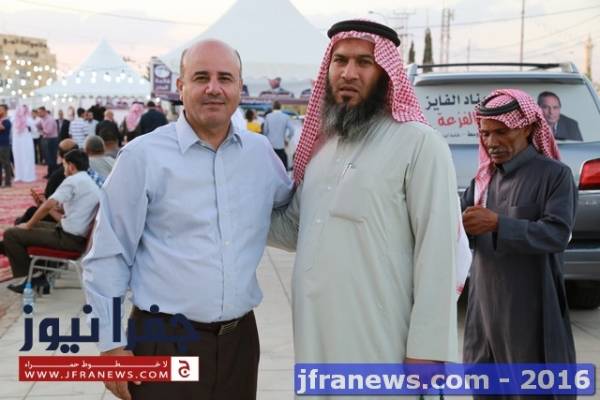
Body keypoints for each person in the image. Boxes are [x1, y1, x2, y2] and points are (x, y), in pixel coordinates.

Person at [82, 39, 292, 400]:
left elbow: (291, 216)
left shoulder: (259, 155)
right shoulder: (143, 157)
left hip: (239, 344)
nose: (214, 88)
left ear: (239, 87)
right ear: (181, 87)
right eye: (201, 77)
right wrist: (111, 344)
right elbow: (108, 254)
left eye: (225, 78)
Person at [268, 19, 461, 387]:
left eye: (364, 62)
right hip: (314, 335)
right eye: (340, 60)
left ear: (386, 73)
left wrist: (428, 348)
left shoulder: (419, 143)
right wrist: (226, 205)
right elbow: (294, 228)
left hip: (380, 339)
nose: (348, 73)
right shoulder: (323, 148)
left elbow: (438, 252)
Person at [461, 89, 576, 399]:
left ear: (527, 128)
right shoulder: (482, 181)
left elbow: (557, 234)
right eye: (485, 133)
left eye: (502, 131)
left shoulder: (555, 176)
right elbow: (459, 232)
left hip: (532, 308)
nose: (492, 142)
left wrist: (499, 224)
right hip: (485, 309)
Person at [3, 149, 100, 294]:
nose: (63, 168)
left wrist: (29, 224)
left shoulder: (73, 180)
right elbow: (64, 215)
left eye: (64, 165)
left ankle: (32, 278)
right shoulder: (87, 181)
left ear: (71, 166)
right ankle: (37, 274)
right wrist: (43, 207)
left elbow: (49, 204)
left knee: (11, 234)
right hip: (74, 237)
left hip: (69, 240)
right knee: (23, 229)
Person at [15, 139, 79, 225]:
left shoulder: (60, 175)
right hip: (73, 215)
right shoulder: (85, 170)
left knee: (31, 212)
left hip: (65, 220)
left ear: (59, 154)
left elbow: (50, 203)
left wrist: (42, 202)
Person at [262, 100, 293, 169]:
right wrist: (287, 139)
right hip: (281, 145)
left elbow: (265, 131)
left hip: (270, 146)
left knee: (271, 167)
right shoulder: (286, 117)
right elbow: (292, 130)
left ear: (273, 107)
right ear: (280, 107)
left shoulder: (268, 116)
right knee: (283, 168)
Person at [11, 105, 36, 183]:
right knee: (19, 158)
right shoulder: (15, 119)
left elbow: (34, 129)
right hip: (19, 141)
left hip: (24, 141)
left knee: (26, 158)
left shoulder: (27, 119)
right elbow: (34, 130)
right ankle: (21, 176)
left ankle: (26, 176)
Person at [36, 106, 59, 177]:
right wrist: (40, 129)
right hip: (46, 139)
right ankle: (50, 173)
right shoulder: (42, 119)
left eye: (40, 112)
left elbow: (48, 131)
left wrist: (41, 131)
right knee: (48, 157)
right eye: (38, 112)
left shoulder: (50, 119)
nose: (38, 114)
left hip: (52, 140)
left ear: (44, 111)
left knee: (52, 157)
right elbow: (37, 125)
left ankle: (53, 174)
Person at [0, 104, 13, 187]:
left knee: (6, 163)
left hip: (4, 144)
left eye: (1, 109)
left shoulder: (7, 121)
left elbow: (2, 128)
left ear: (5, 111)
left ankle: (8, 182)